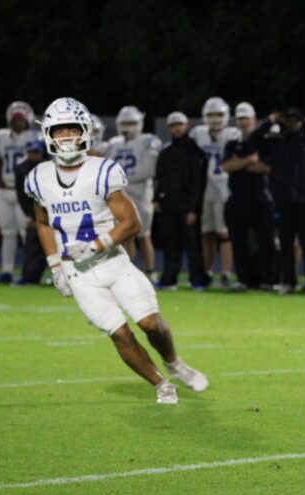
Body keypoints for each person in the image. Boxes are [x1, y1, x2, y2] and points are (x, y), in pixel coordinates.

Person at [26, 97, 207, 404]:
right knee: (119, 333)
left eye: (72, 129)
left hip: (112, 261)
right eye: (59, 130)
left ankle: (175, 362)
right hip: (77, 273)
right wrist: (55, 265)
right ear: (49, 135)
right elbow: (42, 222)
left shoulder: (103, 170)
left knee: (150, 322)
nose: (67, 137)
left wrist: (96, 245)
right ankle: (161, 384)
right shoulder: (39, 177)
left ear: (86, 132)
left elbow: (132, 222)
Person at [255, 108, 305, 295]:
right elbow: (254, 142)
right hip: (283, 202)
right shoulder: (275, 143)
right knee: (286, 245)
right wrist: (269, 121)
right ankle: (288, 282)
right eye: (288, 121)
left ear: (301, 123)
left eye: (296, 121)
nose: (292, 124)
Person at [222, 101, 277, 289]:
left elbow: (267, 167)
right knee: (239, 241)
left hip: (260, 197)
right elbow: (227, 167)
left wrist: (240, 163)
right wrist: (250, 160)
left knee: (265, 240)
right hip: (237, 198)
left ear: (253, 119)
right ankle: (244, 280)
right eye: (240, 119)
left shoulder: (265, 142)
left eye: (246, 118)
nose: (243, 122)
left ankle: (267, 279)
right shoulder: (232, 143)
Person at [154, 112, 210, 290]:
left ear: (186, 126)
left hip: (188, 206)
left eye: (180, 124)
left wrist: (194, 209)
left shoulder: (195, 152)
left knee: (193, 246)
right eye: (173, 125)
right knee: (171, 244)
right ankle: (169, 279)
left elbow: (198, 183)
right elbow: (160, 179)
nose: (177, 128)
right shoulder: (166, 152)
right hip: (169, 205)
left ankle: (197, 280)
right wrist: (157, 199)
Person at [106, 105, 161, 281]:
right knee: (125, 236)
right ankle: (128, 271)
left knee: (144, 235)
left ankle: (150, 271)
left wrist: (120, 178)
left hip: (141, 194)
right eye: (124, 122)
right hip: (120, 195)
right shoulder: (114, 143)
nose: (127, 126)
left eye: (131, 122)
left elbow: (148, 169)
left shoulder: (149, 140)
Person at [190, 97, 240, 287]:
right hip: (205, 189)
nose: (215, 118)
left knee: (224, 233)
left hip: (225, 189)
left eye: (218, 114)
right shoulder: (198, 133)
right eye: (211, 114)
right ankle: (207, 271)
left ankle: (226, 272)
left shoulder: (233, 134)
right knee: (206, 233)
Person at [0, 101, 39, 283]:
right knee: (7, 233)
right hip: (5, 189)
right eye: (16, 119)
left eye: (22, 119)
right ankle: (6, 271)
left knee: (27, 233)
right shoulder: (0, 136)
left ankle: (30, 272)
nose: (19, 122)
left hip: (24, 190)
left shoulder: (35, 135)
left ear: (28, 120)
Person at [14, 139, 50, 285]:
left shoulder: (51, 169)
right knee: (33, 238)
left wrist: (46, 219)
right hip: (36, 213)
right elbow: (24, 198)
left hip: (57, 212)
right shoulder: (22, 170)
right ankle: (30, 276)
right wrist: (36, 219)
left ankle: (67, 278)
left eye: (36, 152)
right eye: (31, 152)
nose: (33, 155)